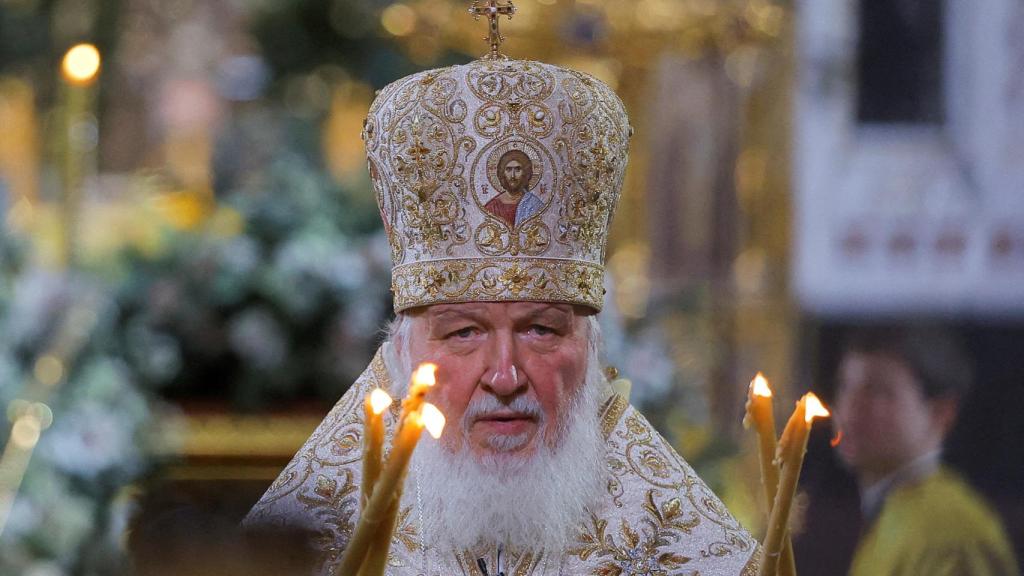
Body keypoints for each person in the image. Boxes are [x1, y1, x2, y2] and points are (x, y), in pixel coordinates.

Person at [244, 50, 759, 575]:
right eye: (464, 333)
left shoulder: (673, 537)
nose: (505, 375)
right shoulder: (319, 530)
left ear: (591, 346)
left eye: (540, 330)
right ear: (401, 350)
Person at [833, 326, 1018, 576]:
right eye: (845, 386)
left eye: (877, 391)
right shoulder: (891, 511)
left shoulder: (951, 533)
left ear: (940, 413)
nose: (849, 408)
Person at [483, 149, 544, 228]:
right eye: (508, 169)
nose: (513, 176)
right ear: (502, 173)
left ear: (525, 173)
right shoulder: (492, 207)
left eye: (518, 169)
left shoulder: (534, 204)